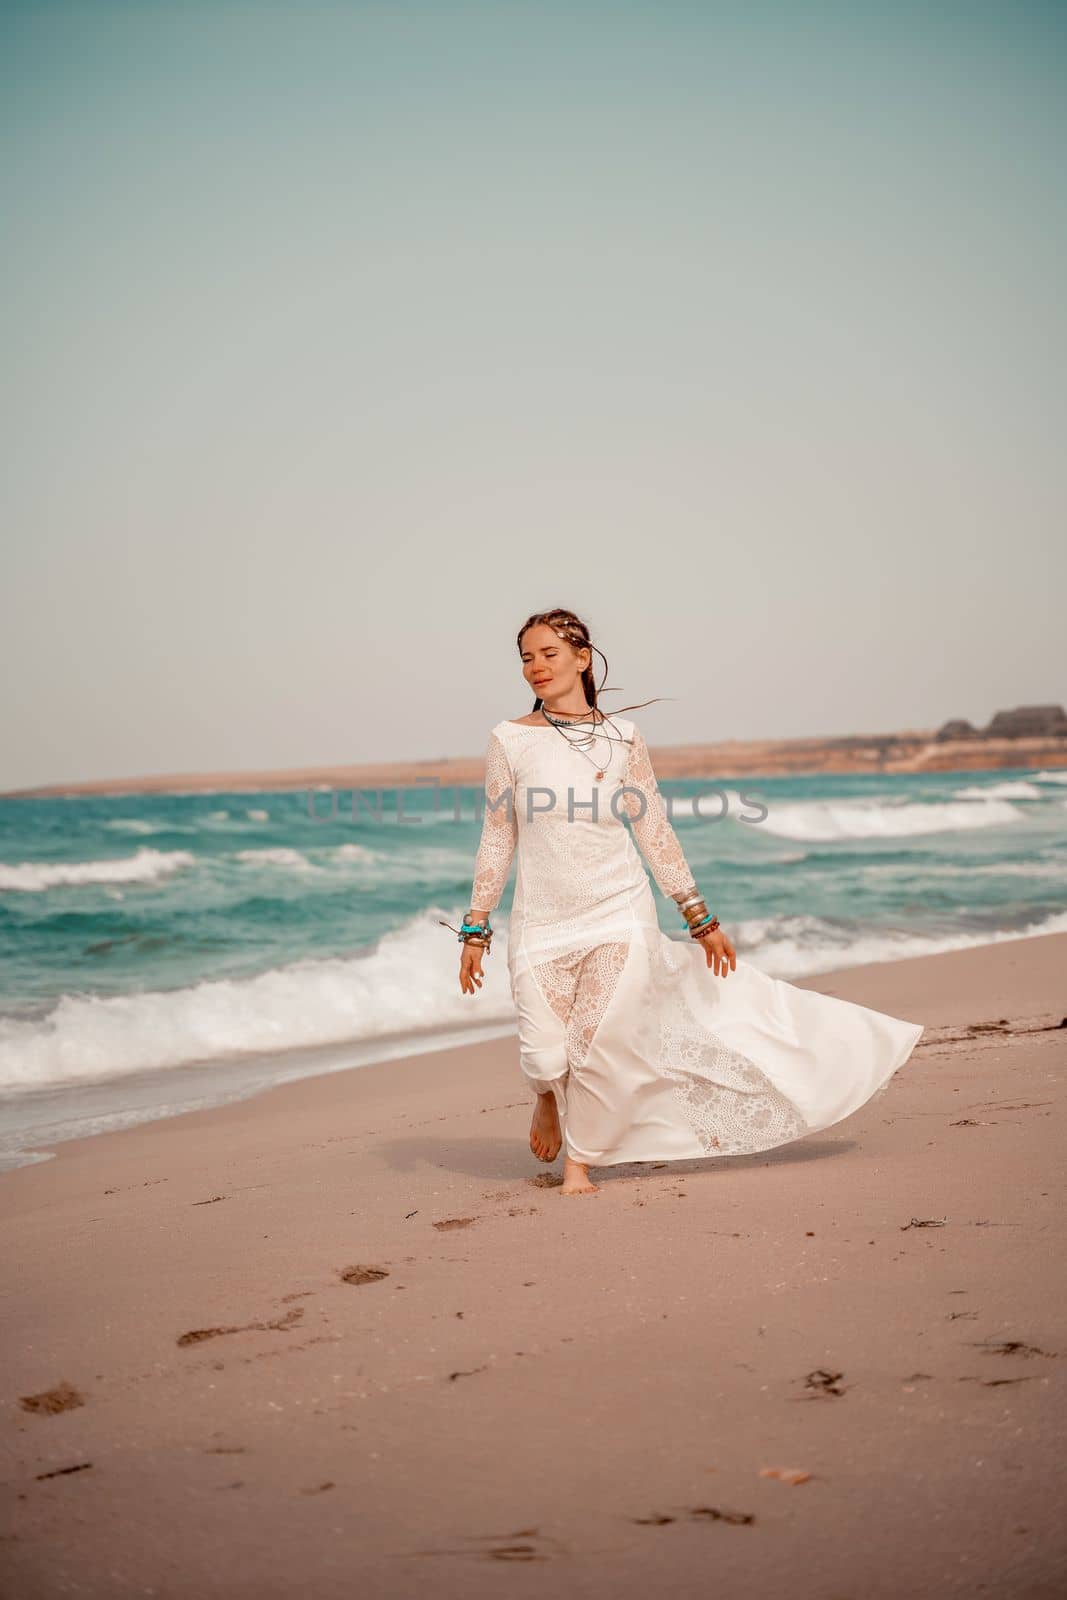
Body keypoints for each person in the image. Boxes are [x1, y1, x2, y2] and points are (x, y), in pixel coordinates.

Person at [446, 608, 924, 1197]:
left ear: (581, 658)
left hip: (616, 911)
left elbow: (654, 831)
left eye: (548, 654)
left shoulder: (623, 739)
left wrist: (698, 917)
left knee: (594, 1046)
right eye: (526, 657)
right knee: (546, 1056)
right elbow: (498, 837)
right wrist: (475, 928)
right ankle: (545, 1095)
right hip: (541, 923)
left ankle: (581, 1164)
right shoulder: (510, 740)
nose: (536, 667)